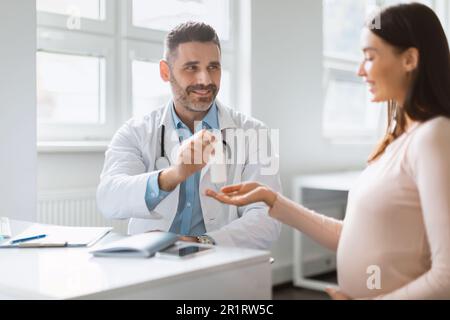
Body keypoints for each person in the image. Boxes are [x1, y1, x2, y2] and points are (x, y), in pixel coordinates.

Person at [206, 3, 450, 299]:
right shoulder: (397, 141)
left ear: (410, 59)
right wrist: (271, 199)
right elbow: (354, 236)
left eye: (370, 57)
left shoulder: (433, 137)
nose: (360, 70)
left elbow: (446, 276)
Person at [97, 21, 281, 249]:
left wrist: (201, 242)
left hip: (222, 261)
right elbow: (108, 199)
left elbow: (268, 218)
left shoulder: (256, 133)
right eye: (192, 67)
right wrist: (173, 175)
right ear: (166, 72)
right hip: (154, 265)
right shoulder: (135, 133)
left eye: (213, 67)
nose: (205, 79)